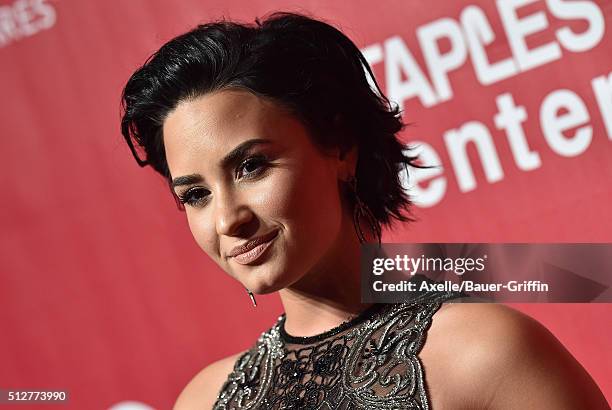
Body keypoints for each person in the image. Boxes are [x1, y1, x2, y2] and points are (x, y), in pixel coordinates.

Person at [119, 11, 610, 410]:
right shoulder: (204, 402)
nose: (228, 219)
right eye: (195, 195)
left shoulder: (484, 355)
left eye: (252, 166)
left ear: (341, 146)